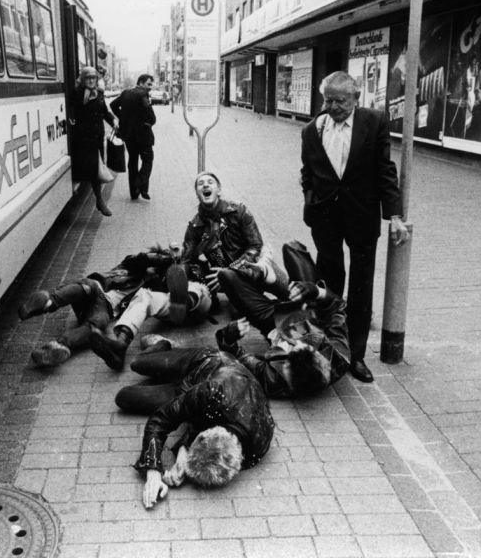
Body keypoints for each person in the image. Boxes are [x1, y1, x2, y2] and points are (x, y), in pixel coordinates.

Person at [300, 71, 409, 383]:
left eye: (340, 101)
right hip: (325, 218)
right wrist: (311, 200)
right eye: (328, 100)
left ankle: (356, 355)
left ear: (356, 98)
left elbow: (385, 170)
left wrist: (395, 215)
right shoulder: (312, 129)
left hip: (362, 217)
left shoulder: (374, 122)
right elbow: (308, 171)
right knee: (329, 282)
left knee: (361, 286)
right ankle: (331, 347)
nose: (333, 107)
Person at [115, 336, 275, 508]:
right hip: (206, 363)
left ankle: (168, 379)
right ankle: (163, 344)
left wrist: (184, 462)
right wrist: (152, 470)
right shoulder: (212, 393)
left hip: (194, 394)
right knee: (138, 364)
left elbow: (201, 431)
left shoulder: (256, 450)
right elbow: (160, 420)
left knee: (126, 397)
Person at [17, 247, 178, 370]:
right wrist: (163, 257)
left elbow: (165, 297)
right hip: (96, 288)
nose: (152, 274)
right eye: (153, 269)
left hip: (103, 307)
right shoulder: (131, 266)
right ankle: (47, 302)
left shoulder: (146, 292)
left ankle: (57, 347)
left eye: (157, 274)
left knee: (100, 322)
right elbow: (140, 258)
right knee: (88, 287)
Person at [181, 172, 286, 334]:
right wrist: (184, 282)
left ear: (219, 190)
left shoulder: (239, 210)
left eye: (210, 182)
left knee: (295, 294)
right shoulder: (195, 226)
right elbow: (186, 260)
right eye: (200, 184)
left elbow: (256, 245)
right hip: (230, 283)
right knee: (239, 312)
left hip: (257, 269)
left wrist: (231, 271)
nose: (205, 185)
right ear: (197, 193)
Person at [215, 279, 350, 398]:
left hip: (272, 320)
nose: (297, 342)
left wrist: (228, 337)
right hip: (306, 306)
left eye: (292, 351)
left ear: (286, 369)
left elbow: (238, 357)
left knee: (228, 276)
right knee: (296, 261)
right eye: (308, 346)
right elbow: (338, 306)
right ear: (323, 359)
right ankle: (271, 275)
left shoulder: (273, 379)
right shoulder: (340, 356)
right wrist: (317, 291)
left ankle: (267, 274)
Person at [87, 262, 213, 357]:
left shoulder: (205, 257)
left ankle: (185, 300)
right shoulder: (167, 265)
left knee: (195, 288)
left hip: (201, 298)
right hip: (172, 304)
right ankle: (121, 344)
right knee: (144, 295)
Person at [68, 66, 117, 216]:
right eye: (88, 78)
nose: (91, 81)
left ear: (96, 79)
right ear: (83, 80)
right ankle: (99, 200)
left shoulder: (99, 93)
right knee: (90, 169)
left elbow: (104, 112)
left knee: (96, 169)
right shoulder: (76, 94)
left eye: (93, 78)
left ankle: (99, 201)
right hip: (83, 139)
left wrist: (113, 121)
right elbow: (71, 113)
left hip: (97, 138)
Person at [110, 75, 156, 200]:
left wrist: (123, 118)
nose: (150, 87)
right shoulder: (143, 94)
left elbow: (113, 105)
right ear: (141, 83)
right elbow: (151, 116)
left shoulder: (126, 93)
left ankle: (134, 193)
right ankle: (139, 184)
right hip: (143, 135)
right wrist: (151, 121)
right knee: (148, 159)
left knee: (133, 161)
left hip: (128, 135)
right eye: (148, 84)